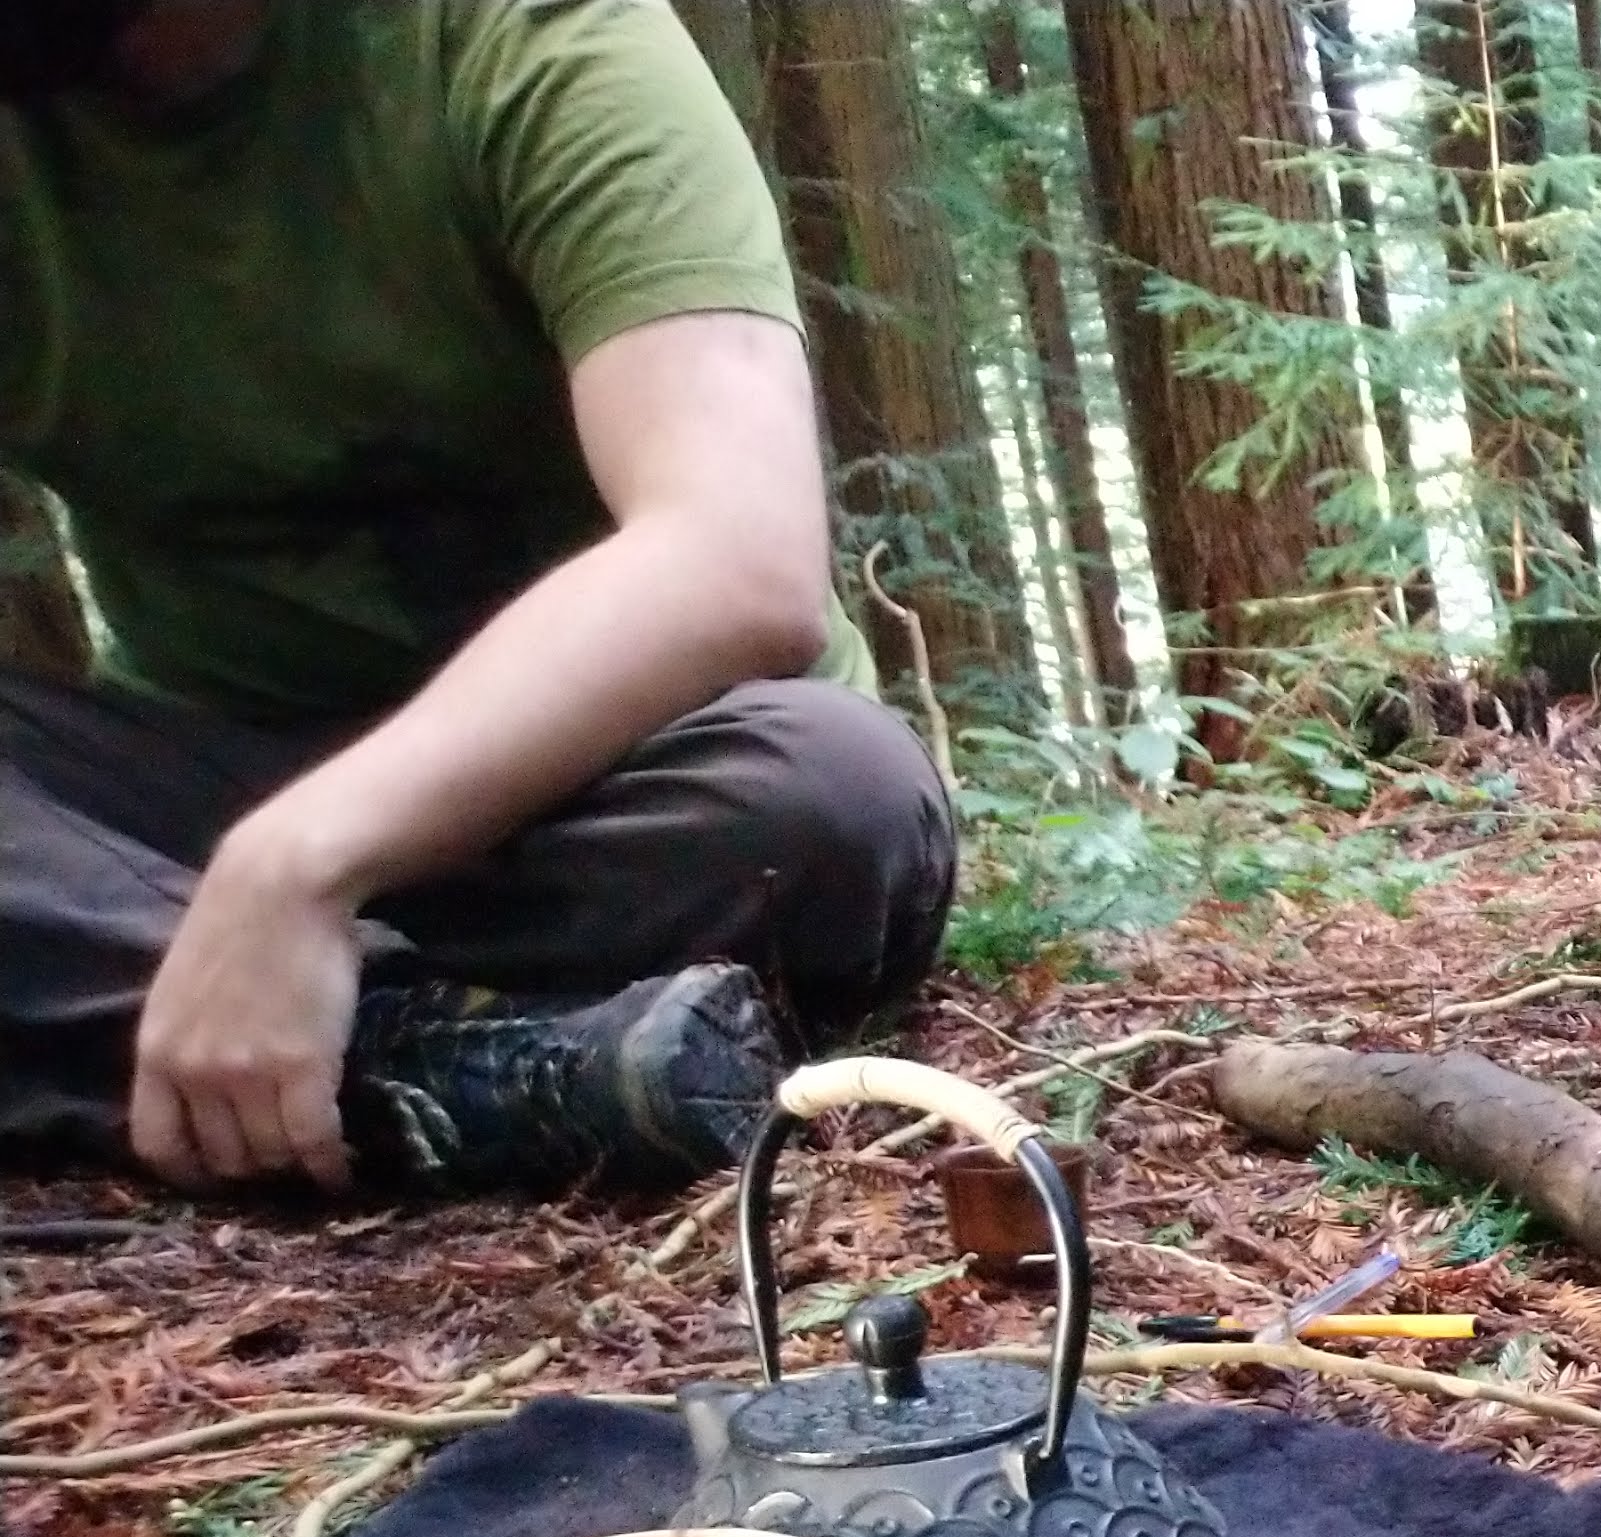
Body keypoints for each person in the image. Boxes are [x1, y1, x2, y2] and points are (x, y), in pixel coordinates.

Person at [0, 0, 951, 1197]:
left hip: (611, 786)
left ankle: (189, 1028)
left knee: (835, 798)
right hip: (205, 789)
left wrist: (295, 866)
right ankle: (455, 1063)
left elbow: (740, 555)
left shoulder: (524, 34)